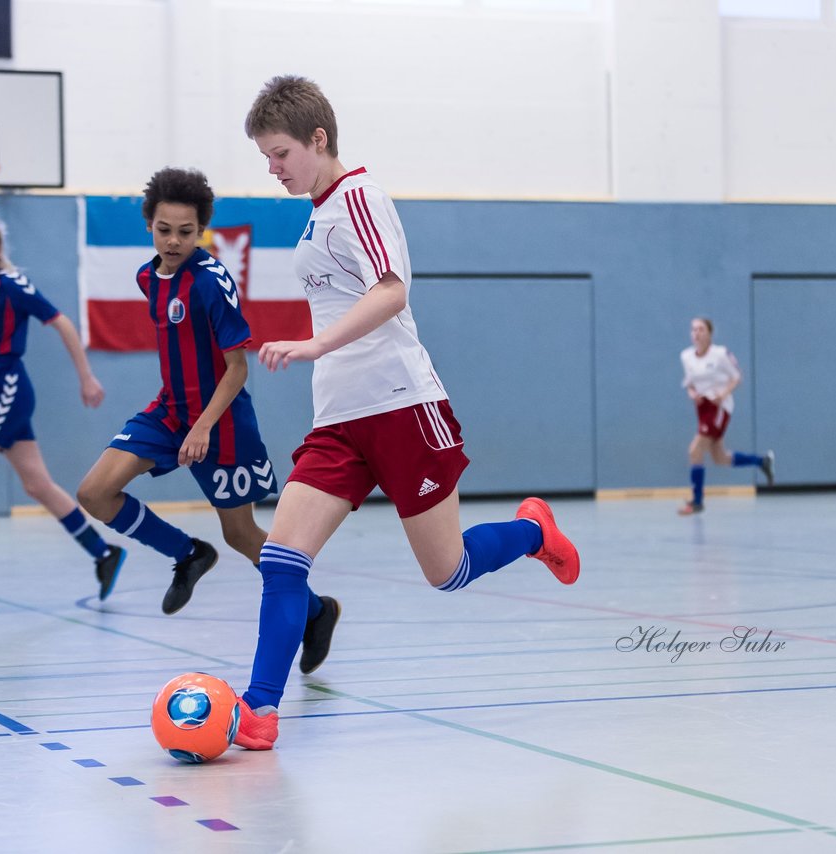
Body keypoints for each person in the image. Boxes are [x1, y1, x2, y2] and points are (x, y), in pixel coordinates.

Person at [232, 75, 581, 750]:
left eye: (278, 154)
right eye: (266, 158)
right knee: (281, 560)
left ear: (317, 139)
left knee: (446, 571)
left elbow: (391, 292)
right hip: (338, 421)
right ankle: (259, 710)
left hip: (401, 407)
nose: (271, 169)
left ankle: (533, 532)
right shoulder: (318, 210)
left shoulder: (360, 195)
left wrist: (314, 345)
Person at [76, 167, 340, 675]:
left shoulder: (211, 282)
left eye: (186, 231)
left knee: (241, 536)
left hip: (221, 424)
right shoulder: (146, 277)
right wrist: (183, 421)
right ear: (149, 226)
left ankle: (316, 609)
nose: (174, 241)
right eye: (164, 230)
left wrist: (202, 429)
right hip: (169, 411)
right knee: (94, 493)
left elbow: (237, 369)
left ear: (202, 232)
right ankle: (187, 552)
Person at [0, 218, 124, 595]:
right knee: (37, 484)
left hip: (8, 388)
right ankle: (103, 553)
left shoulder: (12, 287)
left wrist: (86, 376)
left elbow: (61, 322)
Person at [678, 316, 775, 516]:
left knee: (695, 450)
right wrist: (692, 394)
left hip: (719, 408)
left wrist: (723, 394)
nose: (696, 333)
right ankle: (762, 462)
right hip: (702, 408)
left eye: (701, 329)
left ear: (709, 333)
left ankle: (697, 501)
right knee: (720, 457)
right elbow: (689, 382)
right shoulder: (686, 356)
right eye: (693, 330)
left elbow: (737, 376)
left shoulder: (720, 354)